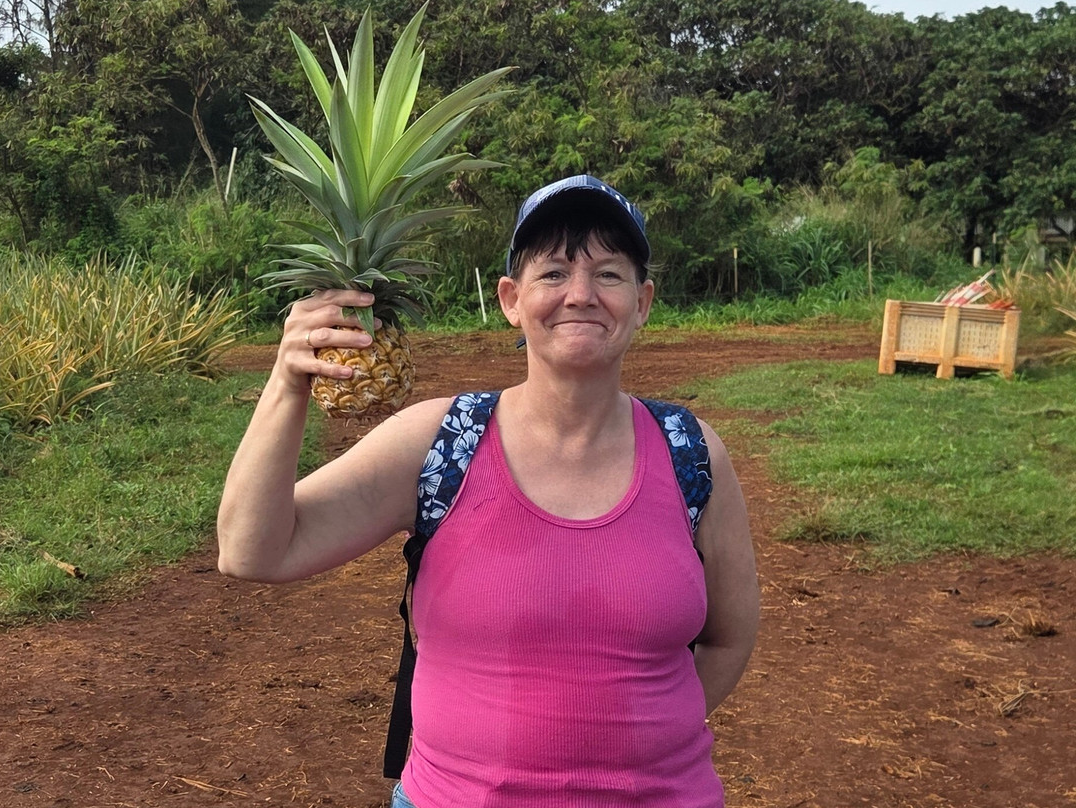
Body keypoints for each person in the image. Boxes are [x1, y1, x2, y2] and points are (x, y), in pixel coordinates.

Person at [217, 175, 760, 808]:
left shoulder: (691, 451)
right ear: (510, 299)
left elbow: (729, 637)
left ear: (642, 302)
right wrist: (287, 384)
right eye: (552, 273)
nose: (580, 295)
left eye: (608, 274)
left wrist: (631, 742)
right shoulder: (443, 442)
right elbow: (251, 551)